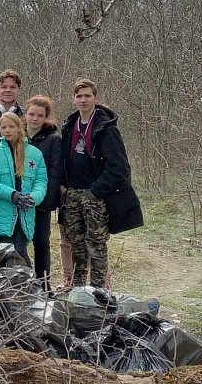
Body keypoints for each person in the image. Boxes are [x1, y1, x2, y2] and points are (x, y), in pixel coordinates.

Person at [60, 78, 141, 289]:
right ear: (73, 99)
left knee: (95, 245)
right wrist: (63, 187)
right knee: (76, 245)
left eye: (88, 96)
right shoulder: (69, 126)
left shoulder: (106, 127)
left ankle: (98, 292)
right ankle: (77, 290)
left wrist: (96, 191)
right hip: (72, 193)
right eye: (79, 96)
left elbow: (119, 167)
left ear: (96, 98)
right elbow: (62, 160)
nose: (83, 100)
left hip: (94, 195)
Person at [0, 112, 47, 267]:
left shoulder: (35, 154)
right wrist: (12, 195)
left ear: (19, 127)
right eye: (3, 127)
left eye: (11, 126)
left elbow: (41, 182)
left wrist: (33, 198)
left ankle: (26, 288)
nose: (7, 130)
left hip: (23, 215)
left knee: (19, 253)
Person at [25, 95, 63, 290]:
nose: (35, 119)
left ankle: (43, 284)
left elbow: (55, 171)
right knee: (19, 243)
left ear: (46, 117)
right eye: (31, 114)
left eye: (40, 115)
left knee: (41, 241)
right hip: (18, 201)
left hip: (41, 202)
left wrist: (47, 201)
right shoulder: (16, 135)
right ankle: (20, 282)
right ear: (25, 114)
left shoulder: (53, 139)